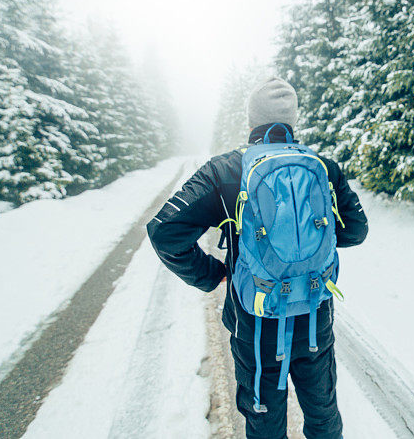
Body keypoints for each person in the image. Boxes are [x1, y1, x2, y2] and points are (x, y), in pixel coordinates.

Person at [146, 77, 368, 439]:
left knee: (265, 426)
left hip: (257, 322)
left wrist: (214, 274)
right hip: (315, 314)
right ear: (292, 121)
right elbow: (357, 230)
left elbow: (164, 231)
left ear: (252, 122)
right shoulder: (323, 167)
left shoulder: (225, 171)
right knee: (323, 418)